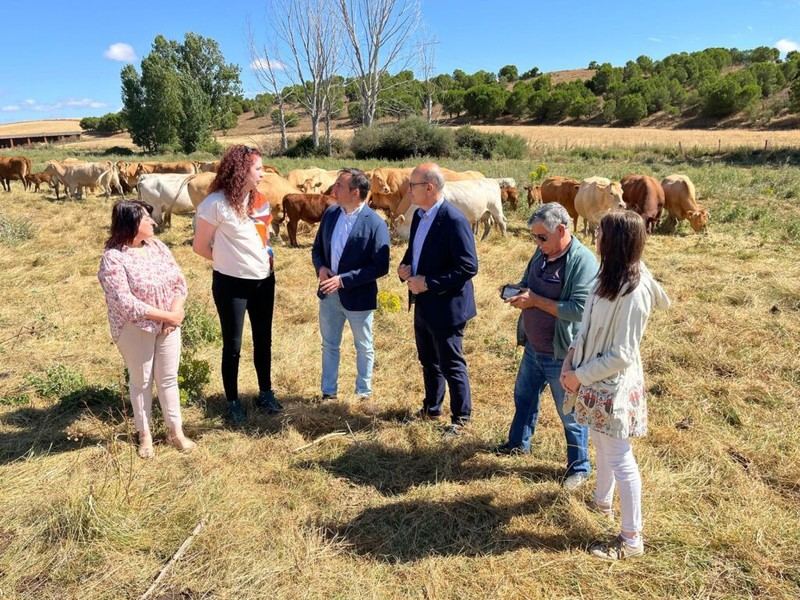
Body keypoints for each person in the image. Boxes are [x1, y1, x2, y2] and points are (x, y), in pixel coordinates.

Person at [560, 210, 670, 560]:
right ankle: (602, 503)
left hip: (611, 386)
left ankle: (632, 539)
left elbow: (622, 354)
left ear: (616, 242)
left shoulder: (634, 292)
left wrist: (579, 375)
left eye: (601, 233)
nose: (595, 237)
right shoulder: (606, 276)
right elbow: (587, 323)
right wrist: (572, 355)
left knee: (620, 457)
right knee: (600, 441)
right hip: (593, 378)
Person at [497, 202, 598, 491]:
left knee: (570, 413)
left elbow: (580, 309)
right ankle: (518, 444)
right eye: (534, 237)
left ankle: (579, 467)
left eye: (542, 237)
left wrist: (535, 301)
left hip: (561, 353)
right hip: (534, 347)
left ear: (562, 230)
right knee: (524, 397)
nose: (537, 242)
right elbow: (527, 283)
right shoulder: (542, 253)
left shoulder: (582, 261)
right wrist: (517, 291)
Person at [98, 200, 196, 458]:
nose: (153, 222)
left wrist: (174, 314)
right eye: (146, 219)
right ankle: (145, 435)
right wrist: (168, 316)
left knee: (168, 378)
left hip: (168, 326)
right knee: (141, 381)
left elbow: (179, 281)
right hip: (135, 328)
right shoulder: (113, 259)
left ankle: (175, 431)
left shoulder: (158, 247)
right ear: (130, 224)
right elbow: (125, 302)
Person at [193, 145, 281, 425]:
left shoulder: (260, 201)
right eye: (258, 168)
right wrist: (230, 262)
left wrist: (262, 260)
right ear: (241, 170)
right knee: (233, 344)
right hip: (231, 284)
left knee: (263, 339)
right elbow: (199, 246)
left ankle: (265, 392)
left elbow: (264, 239)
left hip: (264, 281)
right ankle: (232, 401)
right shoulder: (215, 204)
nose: (263, 173)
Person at [398, 163, 478, 436]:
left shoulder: (453, 220)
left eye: (412, 185)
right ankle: (432, 408)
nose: (408, 190)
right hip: (423, 302)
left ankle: (461, 418)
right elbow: (415, 250)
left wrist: (429, 282)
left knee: (451, 362)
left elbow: (468, 266)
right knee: (428, 359)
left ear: (429, 188)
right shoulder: (419, 216)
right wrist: (405, 267)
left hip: (447, 305)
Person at [311, 168, 390, 400]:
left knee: (363, 346)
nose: (333, 189)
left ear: (355, 192)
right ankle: (328, 392)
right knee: (329, 344)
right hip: (329, 294)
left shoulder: (375, 223)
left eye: (339, 186)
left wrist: (343, 280)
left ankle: (363, 393)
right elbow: (317, 249)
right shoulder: (330, 214)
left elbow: (380, 266)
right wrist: (321, 268)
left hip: (358, 296)